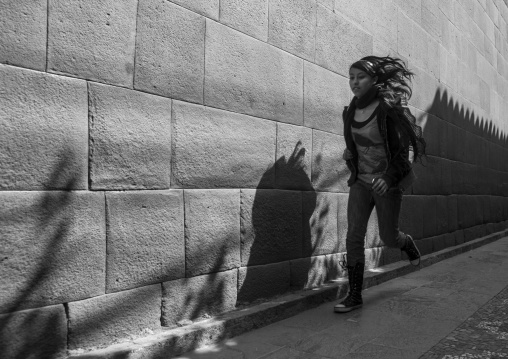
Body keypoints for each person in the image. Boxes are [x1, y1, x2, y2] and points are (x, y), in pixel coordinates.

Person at [334, 56, 426, 313]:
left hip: (387, 183)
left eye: (360, 77)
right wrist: (349, 154)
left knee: (388, 236)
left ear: (374, 80)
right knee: (354, 236)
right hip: (361, 182)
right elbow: (356, 143)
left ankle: (405, 242)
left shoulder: (387, 109)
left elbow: (400, 152)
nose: (354, 82)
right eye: (351, 77)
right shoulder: (351, 109)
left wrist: (387, 178)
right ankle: (354, 294)